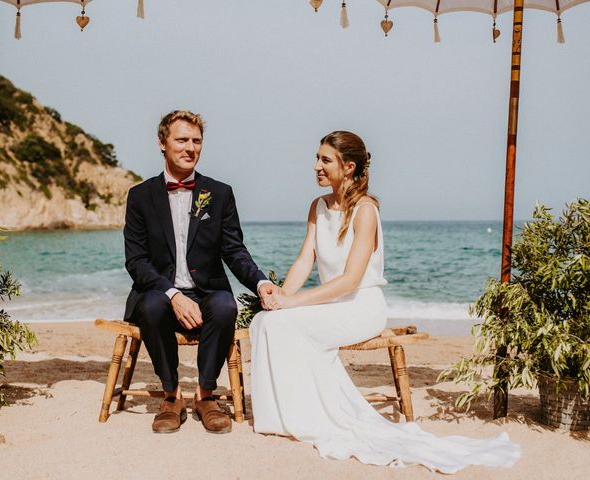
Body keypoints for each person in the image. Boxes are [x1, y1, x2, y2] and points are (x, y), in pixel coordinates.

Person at [249, 131, 520, 473]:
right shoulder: (317, 207)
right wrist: (282, 297)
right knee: (265, 321)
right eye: (316, 158)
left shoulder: (365, 211)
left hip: (361, 306)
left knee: (290, 325)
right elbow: (306, 259)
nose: (316, 166)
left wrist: (295, 304)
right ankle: (282, 414)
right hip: (330, 304)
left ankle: (311, 415)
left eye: (325, 160)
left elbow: (349, 280)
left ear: (348, 167)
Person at [123, 110, 274, 434]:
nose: (190, 147)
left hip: (207, 290)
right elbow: (136, 261)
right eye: (182, 140)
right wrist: (173, 294)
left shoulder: (218, 194)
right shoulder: (140, 196)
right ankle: (171, 395)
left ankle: (206, 394)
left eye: (196, 141)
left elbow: (234, 250)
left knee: (225, 306)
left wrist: (261, 283)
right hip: (159, 291)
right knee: (151, 306)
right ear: (163, 143)